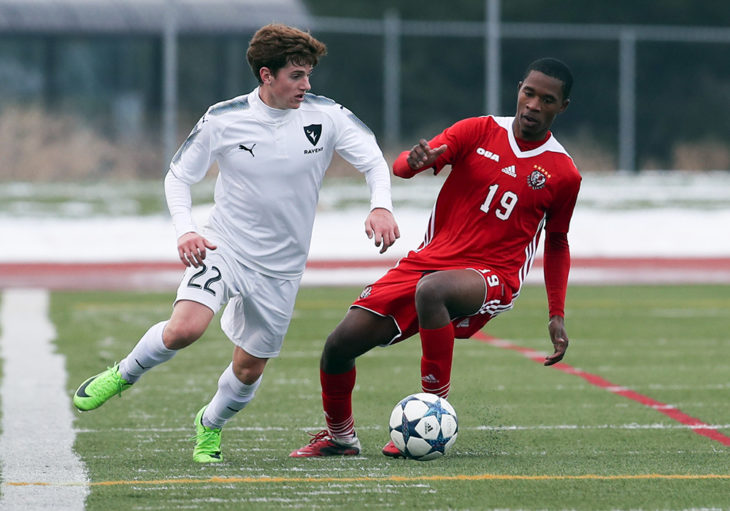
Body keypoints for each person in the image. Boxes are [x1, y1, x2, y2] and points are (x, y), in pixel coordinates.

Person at [72, 23, 400, 463]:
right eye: (296, 76)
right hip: (224, 247)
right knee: (184, 329)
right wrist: (186, 230)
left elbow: (374, 161)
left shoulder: (327, 116)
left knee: (248, 370)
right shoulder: (223, 118)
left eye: (308, 75)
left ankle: (209, 424)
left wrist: (381, 206)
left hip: (282, 268)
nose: (306, 85)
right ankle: (123, 374)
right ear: (266, 75)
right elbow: (179, 177)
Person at [290, 57, 581, 458]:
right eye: (528, 93)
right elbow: (401, 166)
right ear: (518, 89)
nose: (533, 105)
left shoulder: (564, 173)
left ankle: (434, 414)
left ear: (562, 107)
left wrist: (556, 313)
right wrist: (415, 162)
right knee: (339, 346)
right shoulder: (478, 130)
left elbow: (558, 243)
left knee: (433, 292)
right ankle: (340, 438)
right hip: (430, 260)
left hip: (494, 274)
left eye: (547, 100)